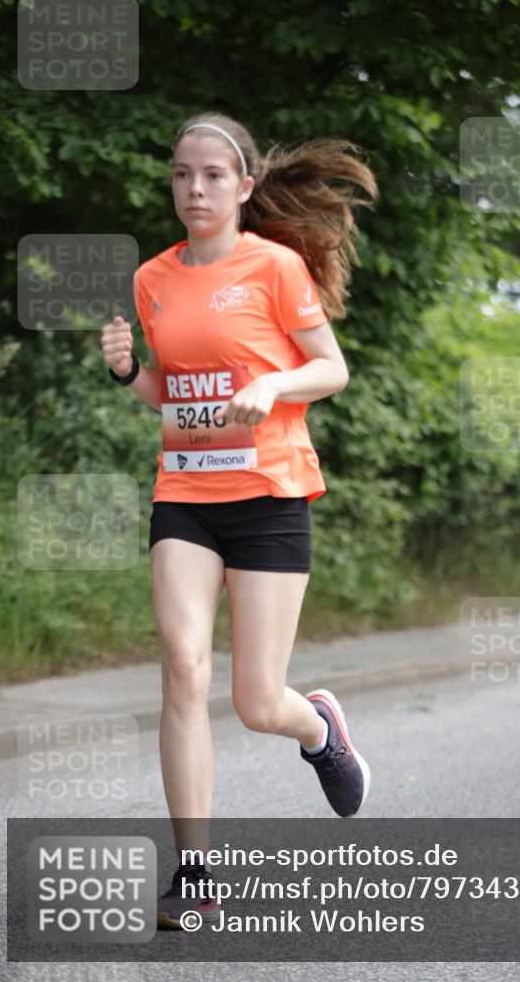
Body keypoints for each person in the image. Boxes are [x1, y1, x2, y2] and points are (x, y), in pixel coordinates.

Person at [100, 112, 379, 929]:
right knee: (183, 670)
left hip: (268, 495)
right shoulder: (153, 278)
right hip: (185, 493)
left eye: (213, 176)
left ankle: (318, 727)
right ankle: (194, 873)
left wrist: (274, 386)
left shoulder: (276, 267)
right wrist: (127, 373)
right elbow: (170, 389)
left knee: (258, 703)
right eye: (183, 174)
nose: (195, 189)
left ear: (244, 186)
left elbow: (331, 368)